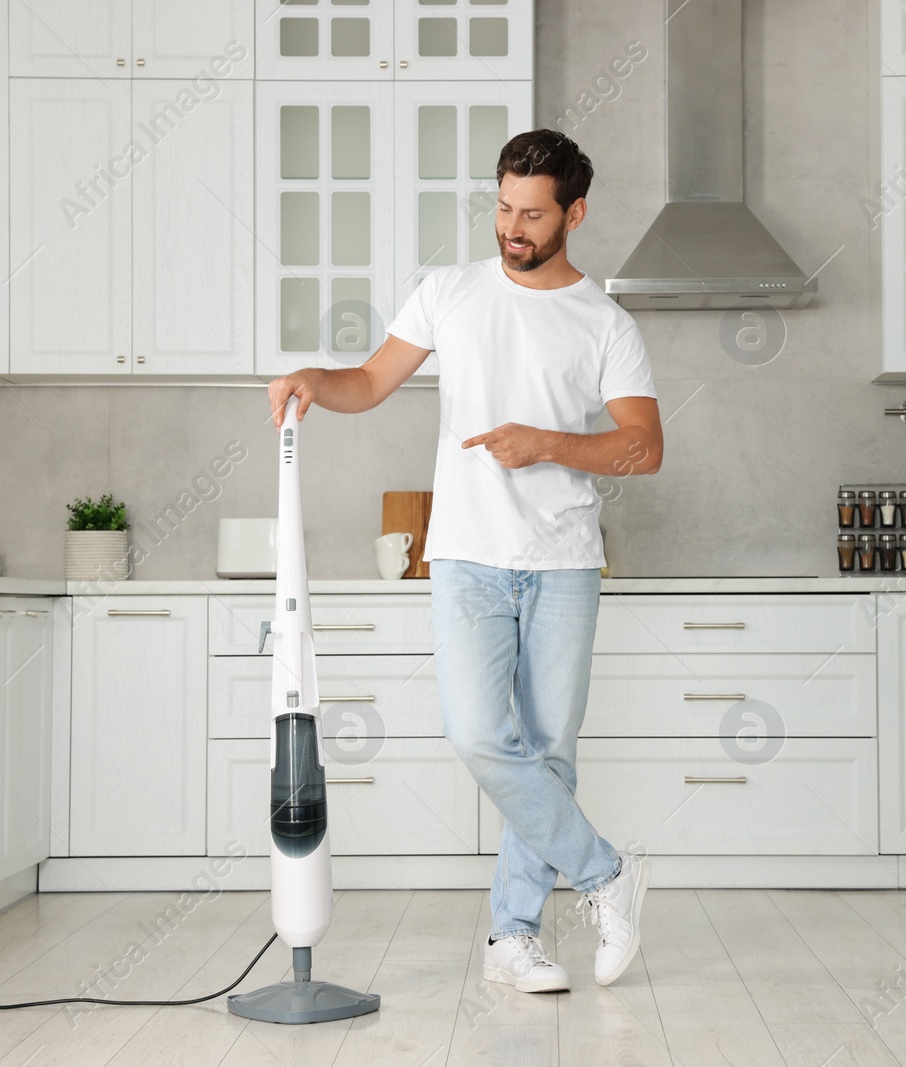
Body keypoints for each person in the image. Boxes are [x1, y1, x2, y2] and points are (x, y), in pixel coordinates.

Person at [268, 128, 663, 993]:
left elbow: (643, 448)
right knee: (481, 734)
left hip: (563, 562)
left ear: (575, 213)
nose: (512, 228)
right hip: (467, 558)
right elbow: (369, 383)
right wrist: (311, 379)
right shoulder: (448, 292)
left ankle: (513, 937)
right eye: (503, 207)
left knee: (549, 753)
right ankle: (605, 874)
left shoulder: (606, 322)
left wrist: (546, 443)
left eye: (532, 214)